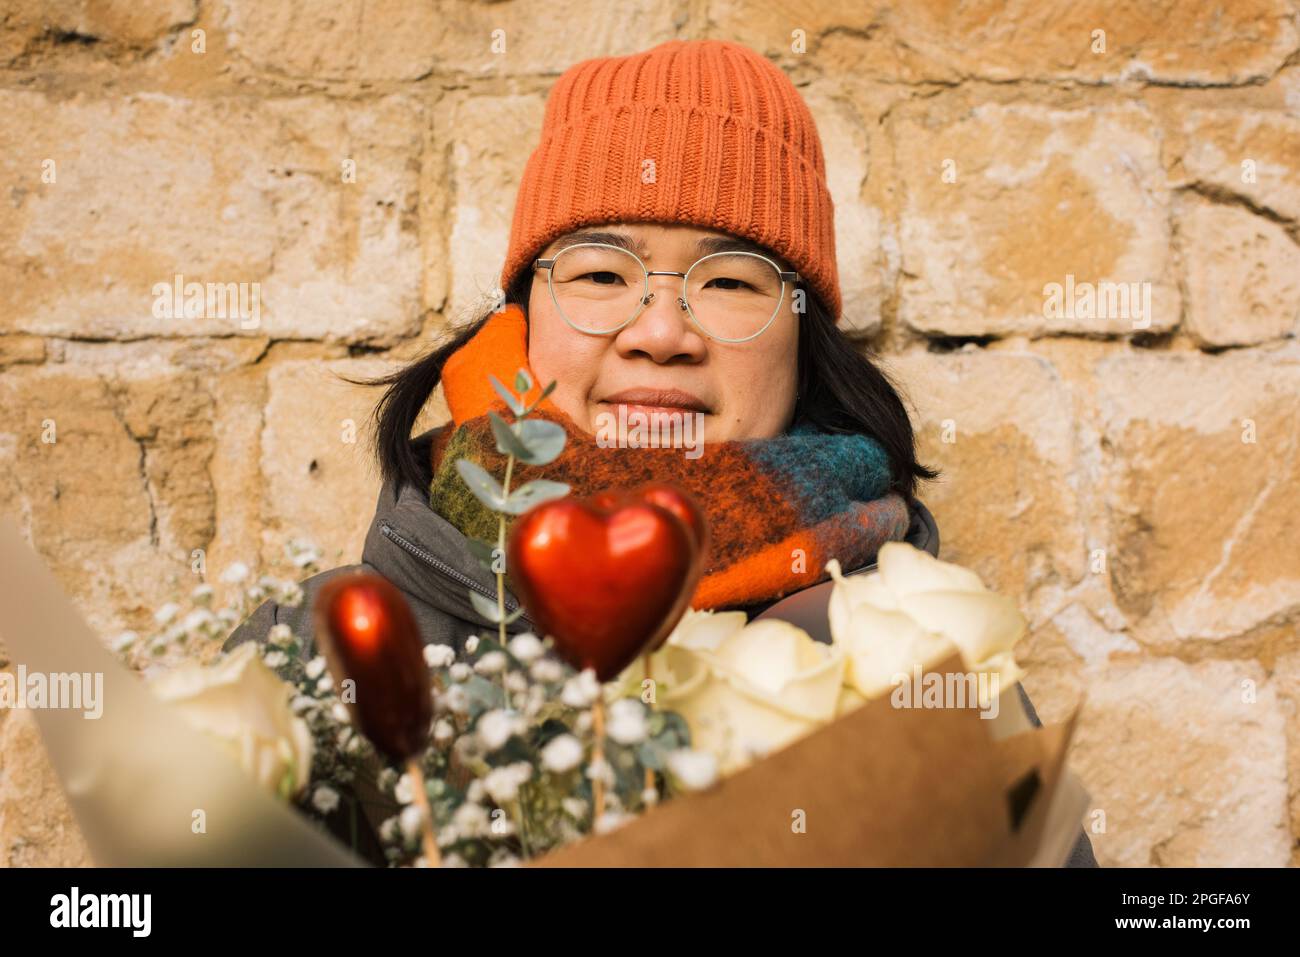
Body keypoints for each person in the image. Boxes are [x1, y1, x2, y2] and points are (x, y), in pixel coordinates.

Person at [224, 38, 1096, 868]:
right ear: (522, 320)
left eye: (727, 282)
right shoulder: (315, 663)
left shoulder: (922, 666)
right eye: (602, 274)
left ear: (803, 338)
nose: (661, 332)